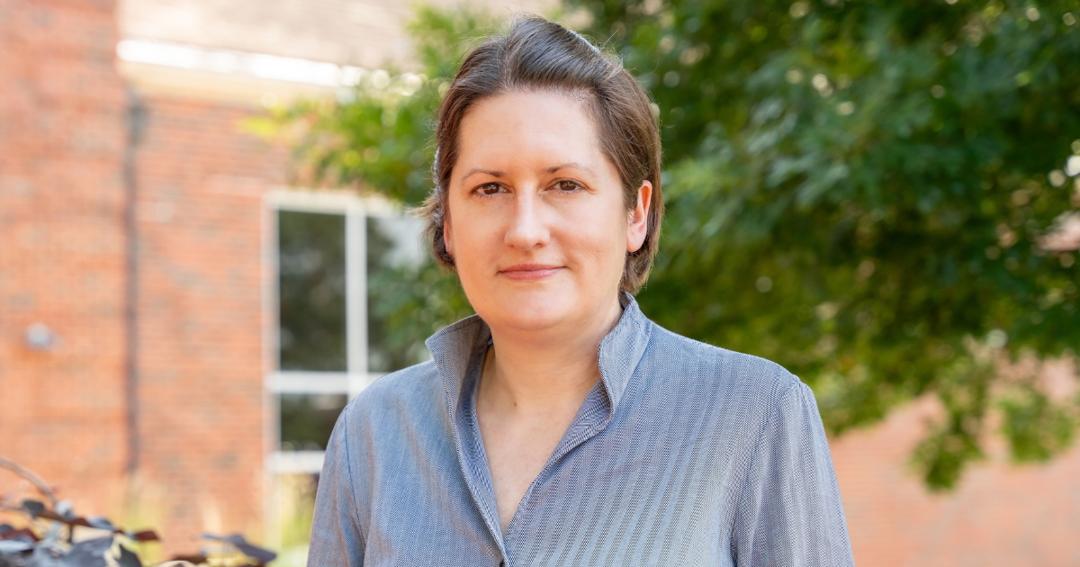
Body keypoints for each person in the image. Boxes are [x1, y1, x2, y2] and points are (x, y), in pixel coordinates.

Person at [308, 15, 854, 566]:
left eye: (565, 185)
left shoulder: (755, 416)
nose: (525, 230)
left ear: (635, 213)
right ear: (448, 220)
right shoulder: (374, 434)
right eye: (489, 188)